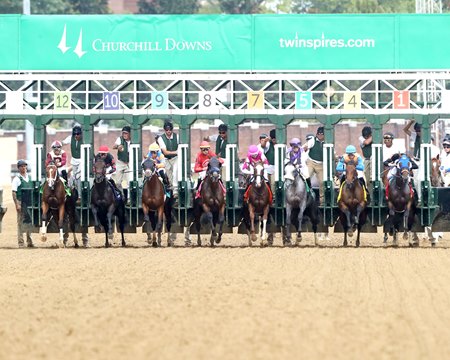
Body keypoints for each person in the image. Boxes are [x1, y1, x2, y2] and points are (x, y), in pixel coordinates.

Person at [11, 159, 34, 248]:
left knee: (29, 221)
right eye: (22, 166)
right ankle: (21, 242)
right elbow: (14, 192)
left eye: (25, 166)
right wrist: (17, 204)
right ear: (19, 168)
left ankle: (30, 241)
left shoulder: (30, 177)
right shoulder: (17, 179)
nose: (24, 167)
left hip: (29, 202)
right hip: (21, 202)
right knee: (21, 222)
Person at [303, 126, 325, 204]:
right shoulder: (313, 140)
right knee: (306, 177)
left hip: (321, 165)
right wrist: (304, 148)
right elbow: (305, 146)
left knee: (323, 182)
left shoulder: (327, 142)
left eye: (322, 134)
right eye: (318, 134)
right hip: (311, 162)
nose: (320, 135)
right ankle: (304, 196)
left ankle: (322, 201)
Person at [157, 121, 178, 198]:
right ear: (164, 130)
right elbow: (165, 152)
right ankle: (173, 191)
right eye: (167, 130)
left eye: (170, 130)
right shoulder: (160, 138)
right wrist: (175, 152)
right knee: (169, 176)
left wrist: (173, 153)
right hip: (166, 159)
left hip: (176, 159)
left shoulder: (177, 136)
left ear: (172, 129)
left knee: (175, 171)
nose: (168, 131)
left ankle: (176, 190)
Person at [112, 126, 131, 203]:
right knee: (118, 182)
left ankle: (129, 198)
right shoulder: (120, 139)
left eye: (126, 133)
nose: (124, 135)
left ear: (130, 133)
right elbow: (114, 146)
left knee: (130, 181)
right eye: (123, 133)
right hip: (120, 162)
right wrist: (118, 146)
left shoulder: (134, 140)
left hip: (129, 163)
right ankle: (121, 196)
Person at [62, 125, 83, 193]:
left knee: (78, 176)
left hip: (82, 161)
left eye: (78, 134)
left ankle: (80, 194)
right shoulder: (70, 138)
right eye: (74, 134)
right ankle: (73, 191)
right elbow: (63, 143)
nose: (76, 136)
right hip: (74, 160)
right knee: (74, 177)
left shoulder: (85, 139)